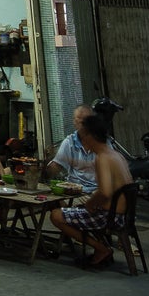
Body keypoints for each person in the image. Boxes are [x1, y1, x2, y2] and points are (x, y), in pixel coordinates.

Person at [48, 112, 132, 270]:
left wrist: (90, 204)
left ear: (91, 136)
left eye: (84, 136)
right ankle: (101, 248)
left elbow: (105, 192)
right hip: (120, 215)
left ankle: (101, 249)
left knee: (56, 215)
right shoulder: (116, 155)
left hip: (107, 217)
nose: (83, 140)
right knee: (72, 209)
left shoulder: (103, 158)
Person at [46, 104, 101, 194]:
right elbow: (55, 167)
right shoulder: (70, 142)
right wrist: (43, 167)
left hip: (97, 191)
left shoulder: (101, 142)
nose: (83, 125)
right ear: (74, 122)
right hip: (74, 191)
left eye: (86, 121)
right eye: (79, 121)